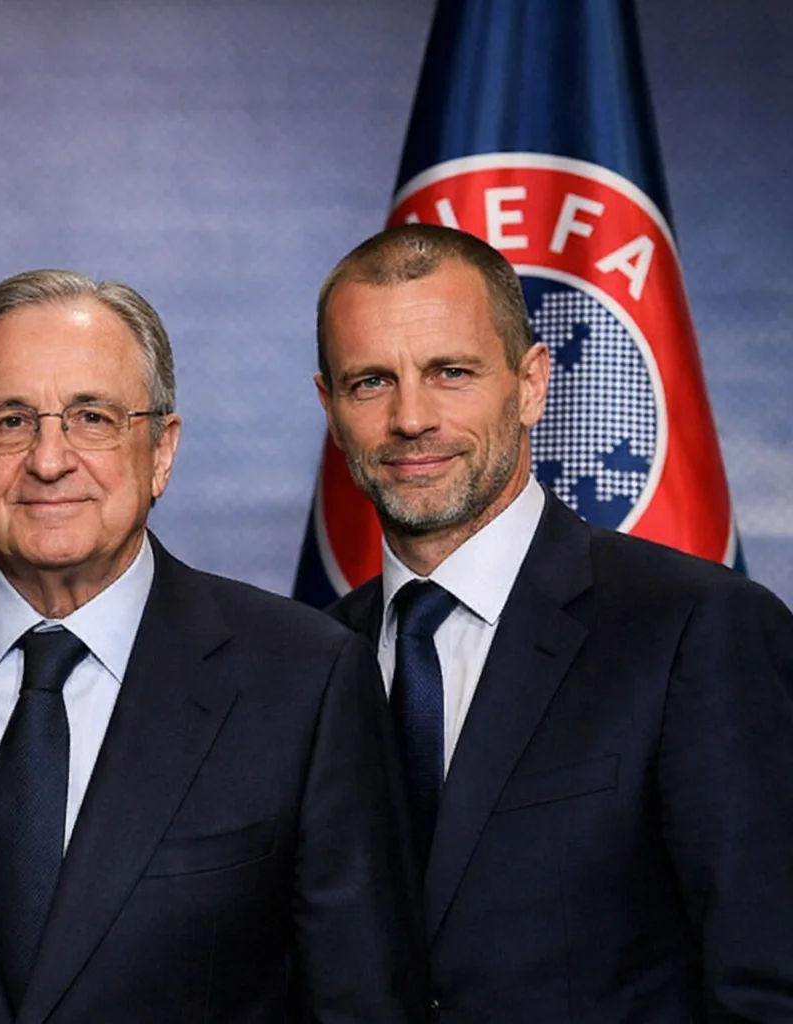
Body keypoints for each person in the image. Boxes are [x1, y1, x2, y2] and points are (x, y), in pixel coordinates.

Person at [0, 269, 426, 1022]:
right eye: (10, 421)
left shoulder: (303, 679)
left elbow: (361, 1002)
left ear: (161, 450)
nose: (49, 460)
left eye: (92, 417)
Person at [316, 223, 793, 1021]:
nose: (411, 418)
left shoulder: (697, 628)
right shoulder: (311, 661)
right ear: (331, 408)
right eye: (371, 382)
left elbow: (769, 983)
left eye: (451, 372)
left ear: (531, 383)